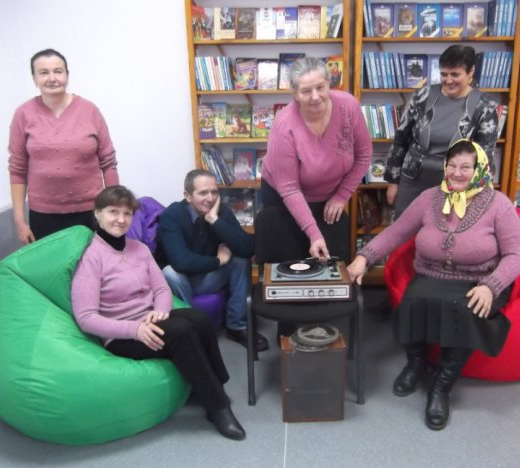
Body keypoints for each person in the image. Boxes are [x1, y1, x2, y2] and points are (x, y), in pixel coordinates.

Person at [348, 140, 520, 430]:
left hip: (479, 280)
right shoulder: (430, 197)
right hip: (432, 274)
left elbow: (516, 255)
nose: (456, 173)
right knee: (413, 299)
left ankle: (441, 386)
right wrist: (363, 258)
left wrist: (491, 286)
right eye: (452, 165)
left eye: (465, 167)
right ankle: (416, 364)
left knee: (465, 309)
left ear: (480, 169)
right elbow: (396, 232)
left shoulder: (499, 204)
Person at [71, 186, 245, 440]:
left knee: (198, 318)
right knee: (182, 332)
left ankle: (214, 385)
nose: (121, 219)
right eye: (113, 212)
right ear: (98, 214)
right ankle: (217, 407)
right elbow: (86, 317)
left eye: (127, 213)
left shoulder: (139, 249)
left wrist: (160, 311)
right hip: (122, 334)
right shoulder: (91, 258)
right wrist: (135, 330)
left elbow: (162, 289)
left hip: (151, 319)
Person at [261, 56, 372, 262]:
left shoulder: (349, 106)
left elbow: (364, 155)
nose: (315, 96)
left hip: (330, 196)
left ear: (329, 83)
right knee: (291, 260)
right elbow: (289, 188)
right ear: (295, 94)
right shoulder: (284, 124)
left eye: (320, 87)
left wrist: (342, 195)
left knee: (330, 260)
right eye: (306, 91)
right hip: (285, 196)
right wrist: (313, 233)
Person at [8, 48, 119, 244]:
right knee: (50, 264)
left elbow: (108, 163)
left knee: (92, 262)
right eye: (44, 72)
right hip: (43, 216)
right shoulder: (23, 114)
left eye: (58, 71)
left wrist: (114, 210)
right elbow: (17, 169)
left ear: (67, 75)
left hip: (91, 212)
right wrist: (19, 220)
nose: (52, 78)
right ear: (34, 78)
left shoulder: (90, 111)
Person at [155, 169, 268, 351]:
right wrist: (218, 261)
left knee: (240, 260)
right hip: (180, 281)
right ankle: (193, 329)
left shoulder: (221, 212)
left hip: (207, 277)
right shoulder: (172, 215)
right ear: (187, 196)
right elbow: (181, 262)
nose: (210, 198)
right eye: (203, 193)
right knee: (170, 273)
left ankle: (237, 326)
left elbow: (247, 249)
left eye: (214, 192)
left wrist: (214, 220)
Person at [385, 45, 499, 218]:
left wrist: (477, 196)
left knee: (443, 231)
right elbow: (400, 140)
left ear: (471, 72)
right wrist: (393, 182)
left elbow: (484, 157)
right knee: (404, 229)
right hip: (412, 180)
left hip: (455, 184)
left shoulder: (485, 107)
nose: (448, 80)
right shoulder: (422, 96)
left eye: (455, 74)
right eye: (444, 74)